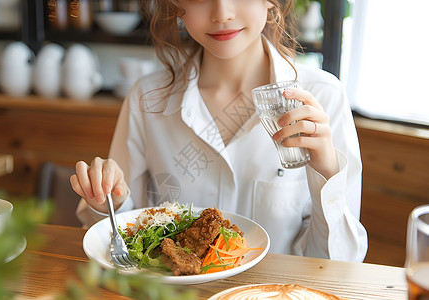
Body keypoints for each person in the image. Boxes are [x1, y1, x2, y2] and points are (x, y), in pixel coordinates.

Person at [71, 0, 368, 262]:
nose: (222, 13)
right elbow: (122, 240)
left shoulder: (323, 96)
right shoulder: (147, 99)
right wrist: (107, 199)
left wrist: (326, 171)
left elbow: (338, 261)